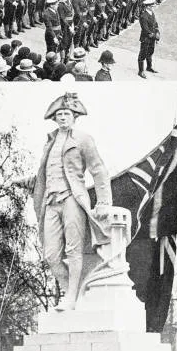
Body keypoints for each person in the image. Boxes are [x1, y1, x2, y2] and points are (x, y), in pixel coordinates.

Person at [29, 92, 112, 312]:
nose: (63, 117)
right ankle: (69, 289)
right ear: (54, 118)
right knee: (50, 254)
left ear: (75, 116)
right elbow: (44, 173)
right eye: (59, 114)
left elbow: (98, 169)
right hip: (50, 201)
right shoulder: (50, 141)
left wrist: (103, 201)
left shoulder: (83, 139)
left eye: (66, 113)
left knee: (74, 250)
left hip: (71, 199)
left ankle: (71, 297)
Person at [137, 0, 160, 78]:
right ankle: (140, 71)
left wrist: (157, 32)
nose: (154, 7)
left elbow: (155, 24)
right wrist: (155, 36)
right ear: (148, 6)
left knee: (150, 52)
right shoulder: (143, 16)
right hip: (146, 38)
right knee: (142, 55)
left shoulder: (151, 13)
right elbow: (145, 30)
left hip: (152, 38)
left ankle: (149, 67)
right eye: (152, 5)